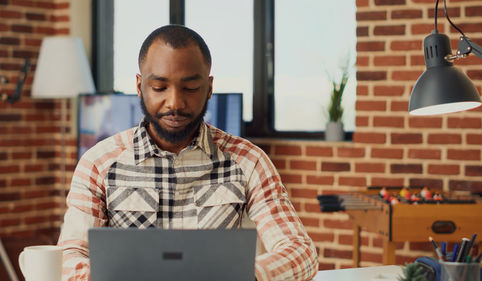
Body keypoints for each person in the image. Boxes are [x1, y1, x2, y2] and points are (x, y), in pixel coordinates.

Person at [57, 25, 318, 281]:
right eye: (159, 87)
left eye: (190, 88)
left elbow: (301, 253)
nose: (175, 103)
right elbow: (70, 258)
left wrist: (245, 276)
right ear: (140, 86)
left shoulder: (249, 161)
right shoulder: (98, 164)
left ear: (209, 88)